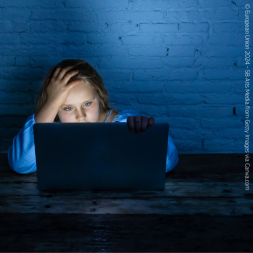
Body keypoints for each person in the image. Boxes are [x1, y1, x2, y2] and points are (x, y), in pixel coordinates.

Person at [7, 59, 179, 174]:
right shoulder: (51, 131)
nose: (80, 116)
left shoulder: (124, 124)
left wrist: (146, 137)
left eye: (87, 104)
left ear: (100, 96)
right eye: (67, 107)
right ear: (54, 109)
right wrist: (53, 100)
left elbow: (166, 163)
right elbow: (20, 164)